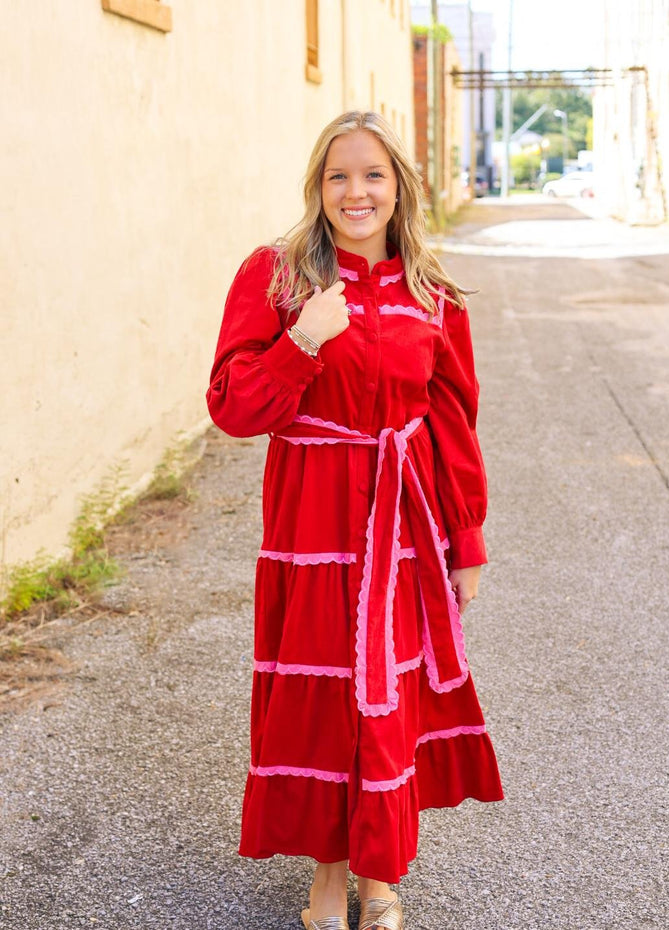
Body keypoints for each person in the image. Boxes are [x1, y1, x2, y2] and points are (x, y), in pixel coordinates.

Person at [206, 110, 503, 930]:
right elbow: (232, 407)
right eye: (339, 176)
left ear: (399, 185)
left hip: (403, 528)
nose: (356, 192)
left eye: (373, 175)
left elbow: (452, 426)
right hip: (312, 525)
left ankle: (381, 879)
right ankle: (327, 887)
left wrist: (464, 541)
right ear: (318, 187)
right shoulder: (275, 277)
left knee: (388, 701)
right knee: (325, 699)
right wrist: (302, 339)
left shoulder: (433, 294)